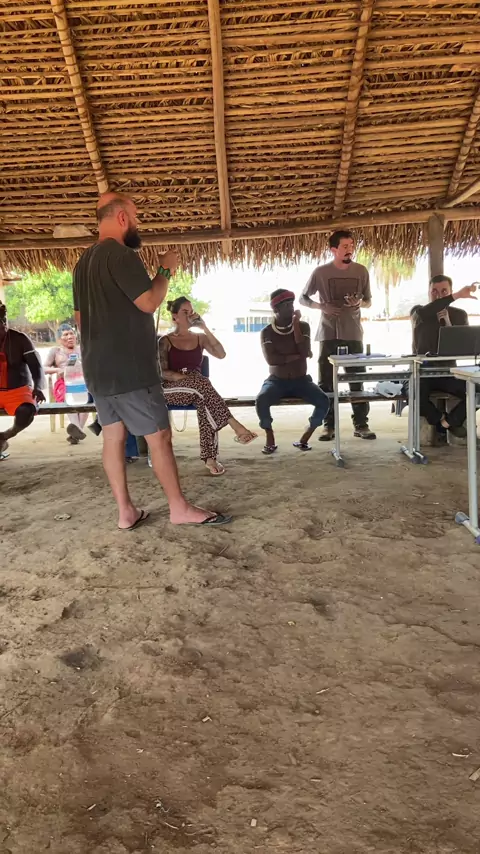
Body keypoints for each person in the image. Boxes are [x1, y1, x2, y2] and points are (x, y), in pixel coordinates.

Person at [73, 191, 231, 529]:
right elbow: (148, 301)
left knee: (113, 438)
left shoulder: (83, 263)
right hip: (130, 370)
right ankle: (179, 508)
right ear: (121, 218)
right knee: (159, 437)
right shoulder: (121, 254)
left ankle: (125, 512)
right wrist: (165, 270)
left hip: (98, 371)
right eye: (135, 216)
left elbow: (80, 321)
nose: (138, 223)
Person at [159, 296, 257, 476]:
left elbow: (221, 354)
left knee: (205, 401)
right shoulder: (165, 341)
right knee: (203, 385)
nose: (190, 315)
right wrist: (186, 379)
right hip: (172, 389)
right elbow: (162, 372)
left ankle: (210, 458)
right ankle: (235, 425)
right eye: (185, 312)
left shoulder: (201, 338)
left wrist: (204, 328)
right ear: (175, 317)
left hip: (198, 389)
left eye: (192, 312)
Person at [300, 230, 375, 441]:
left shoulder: (361, 271)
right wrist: (321, 306)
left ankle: (361, 424)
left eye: (351, 245)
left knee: (357, 381)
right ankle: (328, 426)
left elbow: (369, 301)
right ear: (334, 250)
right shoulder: (321, 272)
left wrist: (360, 303)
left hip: (353, 334)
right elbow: (303, 298)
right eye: (344, 246)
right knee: (326, 383)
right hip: (328, 334)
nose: (349, 250)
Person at [256, 289, 329, 454]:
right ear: (276, 309)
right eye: (286, 305)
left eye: (292, 304)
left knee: (323, 400)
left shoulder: (303, 326)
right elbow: (272, 360)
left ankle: (306, 435)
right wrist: (298, 355)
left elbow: (303, 351)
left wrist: (296, 325)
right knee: (261, 400)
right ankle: (269, 435)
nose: (291, 308)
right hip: (276, 381)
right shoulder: (267, 332)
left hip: (301, 380)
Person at [411, 276, 477, 441]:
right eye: (434, 291)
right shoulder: (419, 312)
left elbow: (464, 346)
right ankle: (440, 420)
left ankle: (449, 422)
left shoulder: (459, 314)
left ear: (450, 291)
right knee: (413, 395)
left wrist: (448, 324)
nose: (439, 295)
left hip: (449, 371)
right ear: (428, 292)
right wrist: (457, 295)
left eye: (444, 291)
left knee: (476, 391)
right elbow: (427, 311)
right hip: (423, 371)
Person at [0, 301, 45, 455]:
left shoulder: (20, 339)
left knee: (27, 410)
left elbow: (36, 367)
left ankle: (5, 436)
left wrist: (38, 386)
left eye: (3, 320)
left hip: (18, 391)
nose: (2, 324)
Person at [44, 324, 89, 445]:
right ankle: (78, 431)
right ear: (60, 339)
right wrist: (58, 370)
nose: (70, 337)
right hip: (64, 383)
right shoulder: (56, 351)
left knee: (88, 397)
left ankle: (77, 431)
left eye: (71, 334)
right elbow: (44, 368)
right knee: (68, 397)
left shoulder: (82, 349)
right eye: (66, 335)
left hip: (82, 382)